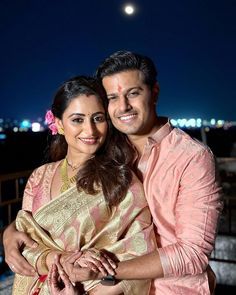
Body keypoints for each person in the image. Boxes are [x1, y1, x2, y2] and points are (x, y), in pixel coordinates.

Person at [3, 50, 223, 294]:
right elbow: (56, 212)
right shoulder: (107, 150)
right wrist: (11, 232)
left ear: (155, 92)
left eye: (133, 93)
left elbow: (191, 254)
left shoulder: (191, 158)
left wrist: (100, 270)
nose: (123, 106)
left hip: (172, 288)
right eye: (113, 98)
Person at [8, 75, 156, 294]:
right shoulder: (39, 177)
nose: (90, 131)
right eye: (77, 120)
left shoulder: (122, 181)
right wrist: (56, 259)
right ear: (58, 123)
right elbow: (24, 238)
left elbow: (138, 254)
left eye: (98, 118)